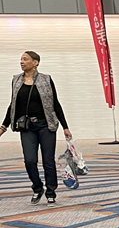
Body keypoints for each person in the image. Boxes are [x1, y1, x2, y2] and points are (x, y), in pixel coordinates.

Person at [1, 51, 72, 204]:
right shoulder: (16, 80)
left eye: (25, 59)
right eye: (21, 59)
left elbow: (55, 103)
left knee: (48, 161)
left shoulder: (46, 79)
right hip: (27, 127)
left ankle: (51, 191)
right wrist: (3, 126)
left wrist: (65, 127)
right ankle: (38, 188)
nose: (21, 61)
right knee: (30, 160)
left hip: (45, 125)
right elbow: (13, 105)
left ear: (36, 62)